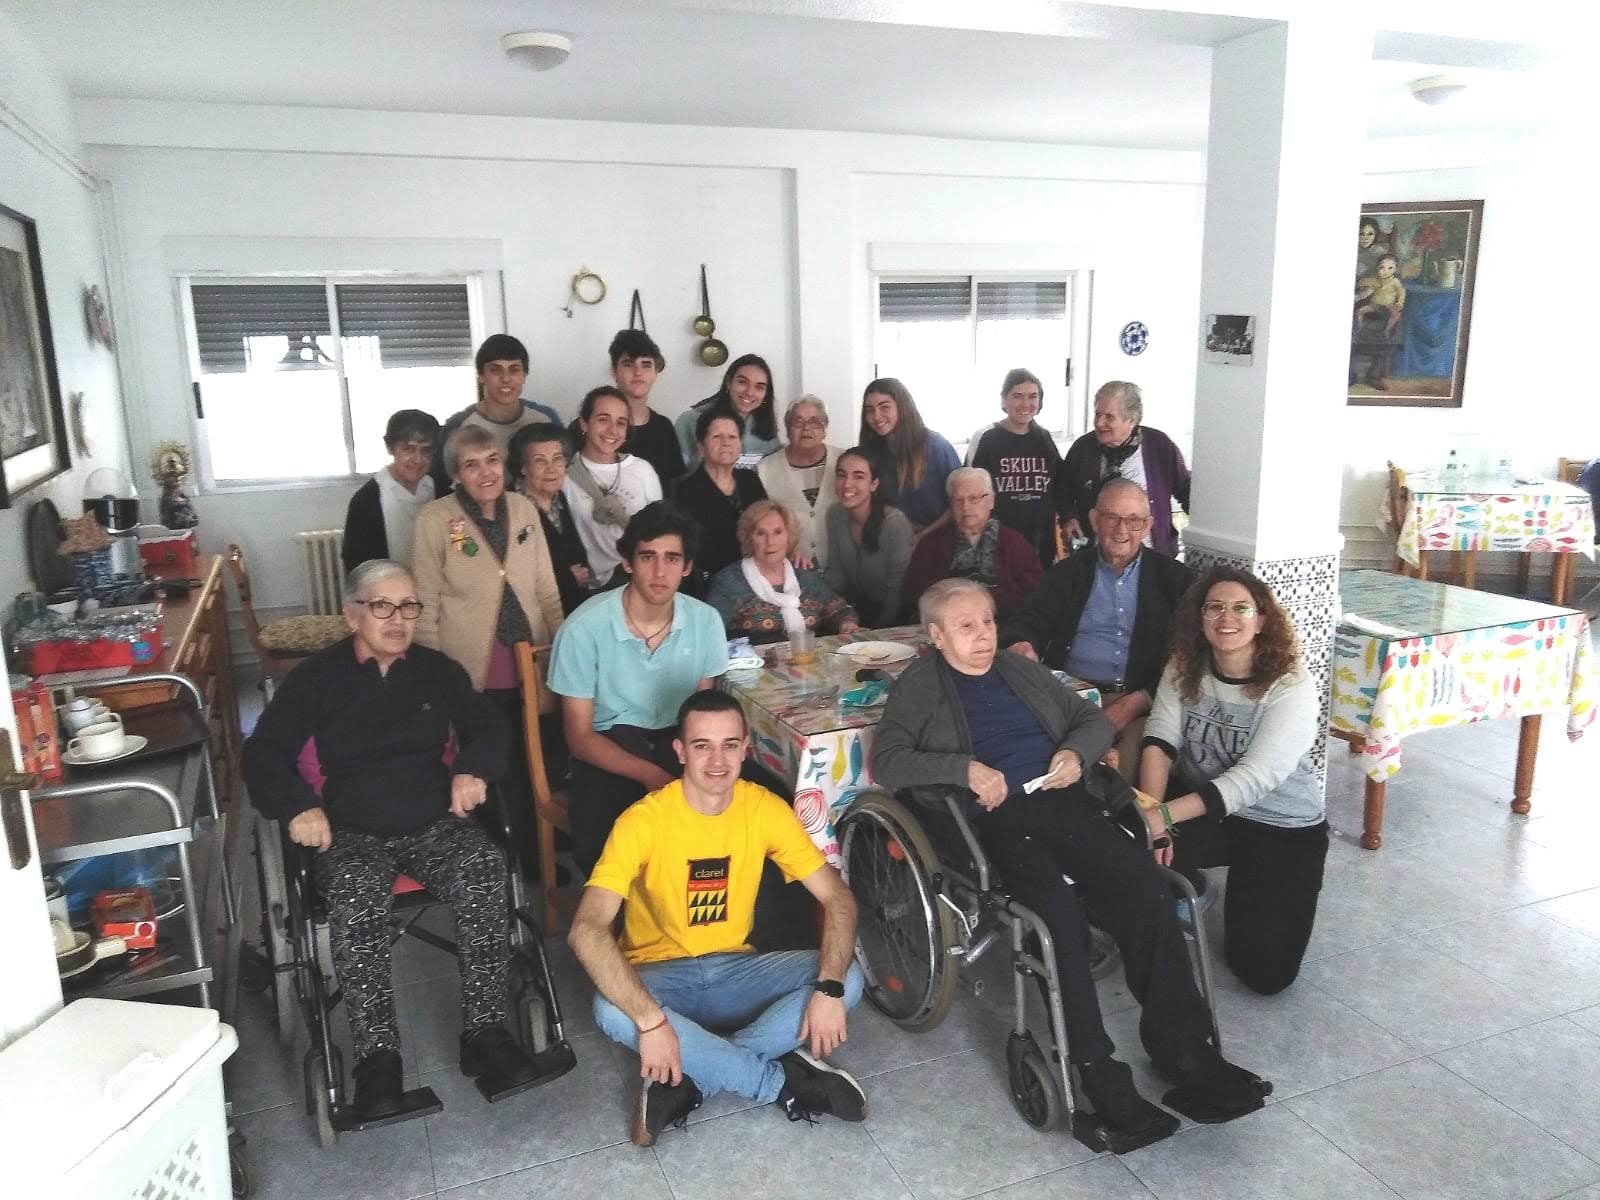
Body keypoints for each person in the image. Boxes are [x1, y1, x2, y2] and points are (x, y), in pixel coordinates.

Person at [873, 578, 1270, 1144]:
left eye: (987, 622)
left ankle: (1185, 1053)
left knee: (1148, 889)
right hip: (996, 823)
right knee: (1057, 920)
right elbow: (888, 760)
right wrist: (963, 769)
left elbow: (1089, 721)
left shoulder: (1017, 669)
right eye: (966, 627)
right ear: (936, 637)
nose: (984, 635)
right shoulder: (920, 688)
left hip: (1065, 803)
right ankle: (1097, 1073)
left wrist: (1072, 754)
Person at [241, 559, 543, 1117]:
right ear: (352, 613)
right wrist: (299, 806)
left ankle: (485, 1033)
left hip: (433, 823)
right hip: (349, 830)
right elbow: (262, 754)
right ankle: (376, 1060)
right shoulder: (316, 680)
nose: (398, 618)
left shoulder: (436, 671)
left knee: (484, 871)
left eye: (409, 606)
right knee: (357, 896)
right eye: (383, 606)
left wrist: (473, 768)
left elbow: (489, 727)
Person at [569, 689, 868, 1146]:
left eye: (730, 744)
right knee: (610, 1009)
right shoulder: (643, 820)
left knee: (849, 978)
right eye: (701, 745)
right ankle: (778, 1080)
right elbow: (586, 929)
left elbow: (839, 899)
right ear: (679, 751)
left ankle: (695, 1074)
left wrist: (828, 988)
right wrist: (651, 1021)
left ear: (746, 748)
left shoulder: (764, 808)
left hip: (736, 969)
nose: (716, 760)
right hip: (659, 976)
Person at [1138, 566, 1326, 996]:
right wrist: (1153, 816)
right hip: (1207, 809)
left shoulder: (1290, 685)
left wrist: (1164, 814)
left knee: (1264, 975)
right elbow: (1159, 739)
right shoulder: (1184, 667)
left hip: (1280, 823)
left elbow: (1253, 779)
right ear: (1200, 618)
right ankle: (1193, 880)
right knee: (1134, 849)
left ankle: (1243, 882)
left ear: (1261, 620)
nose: (1227, 618)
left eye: (1242, 608)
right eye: (1214, 607)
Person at [547, 503, 729, 873]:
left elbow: (702, 716)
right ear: (627, 563)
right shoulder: (583, 628)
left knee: (746, 814)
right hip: (606, 748)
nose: (660, 572)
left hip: (678, 743)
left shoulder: (705, 621)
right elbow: (579, 738)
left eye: (673, 559)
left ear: (688, 567)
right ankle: (623, 923)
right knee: (610, 850)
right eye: (648, 557)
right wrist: (650, 775)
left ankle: (711, 920)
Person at [1001, 480, 1192, 778]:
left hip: (1138, 702)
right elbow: (1030, 621)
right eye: (1111, 517)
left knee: (1115, 778)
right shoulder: (1066, 574)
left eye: (1133, 520)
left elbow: (1188, 657)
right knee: (1034, 762)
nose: (1121, 529)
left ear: (1148, 526)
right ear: (1093, 520)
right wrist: (1023, 642)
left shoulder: (1175, 581)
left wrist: (1138, 700)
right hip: (1069, 695)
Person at [1059, 382, 1190, 558]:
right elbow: (1063, 491)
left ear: (1131, 420)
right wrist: (1069, 517)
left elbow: (1186, 490)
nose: (1099, 422)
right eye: (1097, 414)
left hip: (1152, 556)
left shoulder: (1159, 446)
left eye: (1109, 417)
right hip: (1096, 557)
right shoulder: (1083, 449)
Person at [706, 500, 860, 644]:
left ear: (789, 536)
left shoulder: (805, 575)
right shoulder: (728, 582)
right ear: (748, 538)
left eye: (778, 532)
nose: (770, 542)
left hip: (808, 662)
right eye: (761, 533)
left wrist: (846, 624)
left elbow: (839, 610)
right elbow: (709, 633)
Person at [902, 467, 1042, 622]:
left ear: (991, 501)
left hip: (1003, 626)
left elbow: (1032, 590)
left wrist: (985, 605)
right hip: (947, 627)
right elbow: (914, 590)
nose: (966, 507)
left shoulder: (1015, 543)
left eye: (974, 498)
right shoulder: (931, 544)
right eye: (958, 500)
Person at [563, 386, 665, 588]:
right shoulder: (564, 474)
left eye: (621, 422)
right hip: (591, 587)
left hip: (639, 580)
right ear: (584, 423)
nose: (612, 430)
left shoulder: (642, 470)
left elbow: (660, 530)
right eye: (603, 419)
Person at [434, 334, 561, 491]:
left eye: (514, 370)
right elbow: (446, 488)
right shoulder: (459, 426)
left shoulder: (545, 418)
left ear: (524, 376)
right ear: (481, 376)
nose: (506, 379)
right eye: (495, 370)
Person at [967, 368, 1064, 567]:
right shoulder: (988, 438)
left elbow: (1060, 485)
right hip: (999, 541)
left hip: (1041, 540)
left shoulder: (1044, 438)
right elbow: (972, 490)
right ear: (1004, 400)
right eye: (1017, 396)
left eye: (1033, 396)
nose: (1025, 404)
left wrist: (1069, 517)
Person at [566, 329, 685, 489]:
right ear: (614, 371)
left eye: (646, 364)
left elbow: (674, 485)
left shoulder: (664, 427)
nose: (638, 372)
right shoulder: (585, 427)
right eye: (628, 364)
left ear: (656, 373)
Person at [671, 408, 767, 591]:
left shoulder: (750, 480)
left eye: (732, 437)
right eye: (717, 437)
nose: (726, 443)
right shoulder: (686, 490)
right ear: (701, 445)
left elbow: (767, 524)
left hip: (757, 578)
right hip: (711, 584)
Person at [822, 448, 914, 627]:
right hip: (855, 615)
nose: (847, 484)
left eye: (858, 476)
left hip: (897, 619)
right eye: (842, 475)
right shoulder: (834, 515)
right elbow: (836, 579)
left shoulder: (894, 524)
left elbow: (897, 593)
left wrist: (873, 632)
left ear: (874, 484)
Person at [509, 422, 593, 616]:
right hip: (532, 618)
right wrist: (567, 578)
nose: (551, 469)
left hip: (569, 611)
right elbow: (515, 573)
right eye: (540, 461)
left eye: (557, 459)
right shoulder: (512, 507)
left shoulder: (558, 497)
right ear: (523, 467)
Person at [858, 377, 961, 536]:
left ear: (902, 407)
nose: (876, 417)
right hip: (894, 540)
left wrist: (921, 536)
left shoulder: (936, 447)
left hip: (939, 540)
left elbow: (959, 503)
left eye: (884, 407)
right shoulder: (872, 453)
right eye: (870, 410)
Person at [342, 408, 440, 572]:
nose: (418, 459)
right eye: (408, 449)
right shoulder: (367, 501)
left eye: (426, 451)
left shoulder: (442, 488)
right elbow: (358, 567)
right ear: (390, 447)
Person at [757, 395, 840, 567]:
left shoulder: (843, 461)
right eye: (798, 422)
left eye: (814, 421)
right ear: (787, 429)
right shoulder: (764, 469)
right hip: (791, 567)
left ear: (825, 428)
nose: (806, 428)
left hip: (841, 565)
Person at [674, 354, 783, 470]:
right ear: (728, 382)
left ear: (766, 394)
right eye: (742, 382)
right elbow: (675, 475)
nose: (750, 392)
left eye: (759, 387)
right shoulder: (690, 421)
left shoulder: (768, 431)